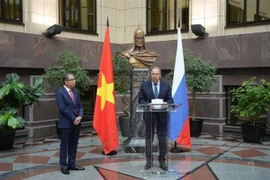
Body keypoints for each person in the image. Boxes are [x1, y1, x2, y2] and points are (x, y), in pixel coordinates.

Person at [138, 67, 174, 171]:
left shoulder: (166, 85)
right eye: (153, 74)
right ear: (150, 75)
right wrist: (147, 104)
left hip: (162, 116)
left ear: (160, 75)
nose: (155, 76)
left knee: (162, 139)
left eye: (157, 74)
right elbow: (141, 99)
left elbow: (170, 99)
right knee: (149, 139)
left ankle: (162, 160)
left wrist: (166, 104)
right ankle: (149, 161)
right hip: (149, 115)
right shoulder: (144, 85)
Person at [56, 72, 85, 175]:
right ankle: (64, 166)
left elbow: (81, 106)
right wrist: (74, 118)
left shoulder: (76, 92)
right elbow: (62, 108)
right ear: (66, 81)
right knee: (64, 145)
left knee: (74, 144)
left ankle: (72, 164)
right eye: (72, 79)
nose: (74, 81)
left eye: (74, 79)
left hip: (76, 123)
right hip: (66, 123)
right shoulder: (60, 93)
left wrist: (80, 116)